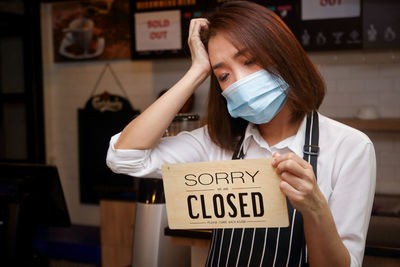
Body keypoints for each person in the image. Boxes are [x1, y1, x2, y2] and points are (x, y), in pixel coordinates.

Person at [106, 1, 376, 266]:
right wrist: (196, 72)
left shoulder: (350, 147)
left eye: (249, 61)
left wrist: (315, 209)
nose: (240, 81)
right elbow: (124, 157)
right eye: (223, 76)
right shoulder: (215, 144)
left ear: (284, 56)